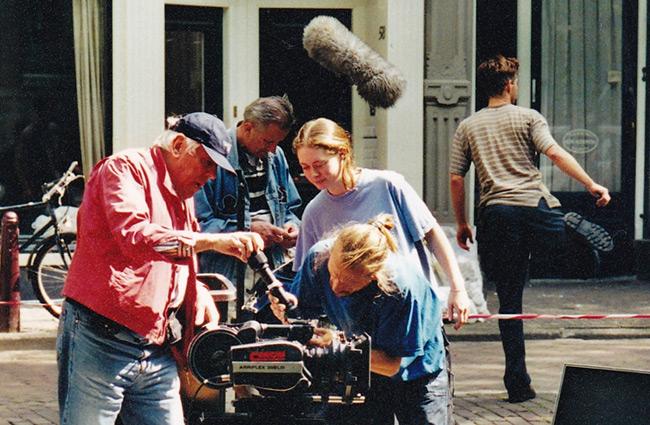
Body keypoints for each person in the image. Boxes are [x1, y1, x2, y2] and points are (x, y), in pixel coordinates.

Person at [57, 112, 264, 425]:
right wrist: (212, 242)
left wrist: (197, 289)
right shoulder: (125, 168)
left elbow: (177, 255)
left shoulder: (183, 193)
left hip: (156, 343)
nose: (211, 176)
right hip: (102, 337)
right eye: (206, 163)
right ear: (178, 144)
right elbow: (136, 236)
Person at [449, 55, 612, 403]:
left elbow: (455, 178)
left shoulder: (467, 126)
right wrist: (591, 184)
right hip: (534, 207)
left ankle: (517, 385)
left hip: (494, 213)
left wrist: (463, 222)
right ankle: (564, 226)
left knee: (509, 301)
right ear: (510, 85)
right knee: (563, 254)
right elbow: (554, 154)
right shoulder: (528, 117)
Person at [271, 214, 450, 425]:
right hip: (359, 364)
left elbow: (391, 363)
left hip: (417, 371)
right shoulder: (319, 257)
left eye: (347, 284)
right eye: (333, 274)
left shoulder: (400, 289)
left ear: (373, 277)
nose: (336, 286)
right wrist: (284, 310)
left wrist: (334, 344)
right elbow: (300, 318)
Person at [292, 117, 470, 325]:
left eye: (319, 164)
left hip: (411, 313)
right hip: (358, 326)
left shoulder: (389, 184)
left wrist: (458, 289)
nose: (313, 174)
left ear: (342, 154)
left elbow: (432, 235)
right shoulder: (314, 211)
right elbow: (306, 278)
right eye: (305, 167)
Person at [194, 96, 301, 302]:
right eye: (268, 141)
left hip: (271, 269)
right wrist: (247, 230)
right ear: (248, 127)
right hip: (226, 273)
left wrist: (291, 226)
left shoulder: (276, 156)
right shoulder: (214, 156)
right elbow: (198, 225)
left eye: (277, 142)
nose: (272, 149)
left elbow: (290, 207)